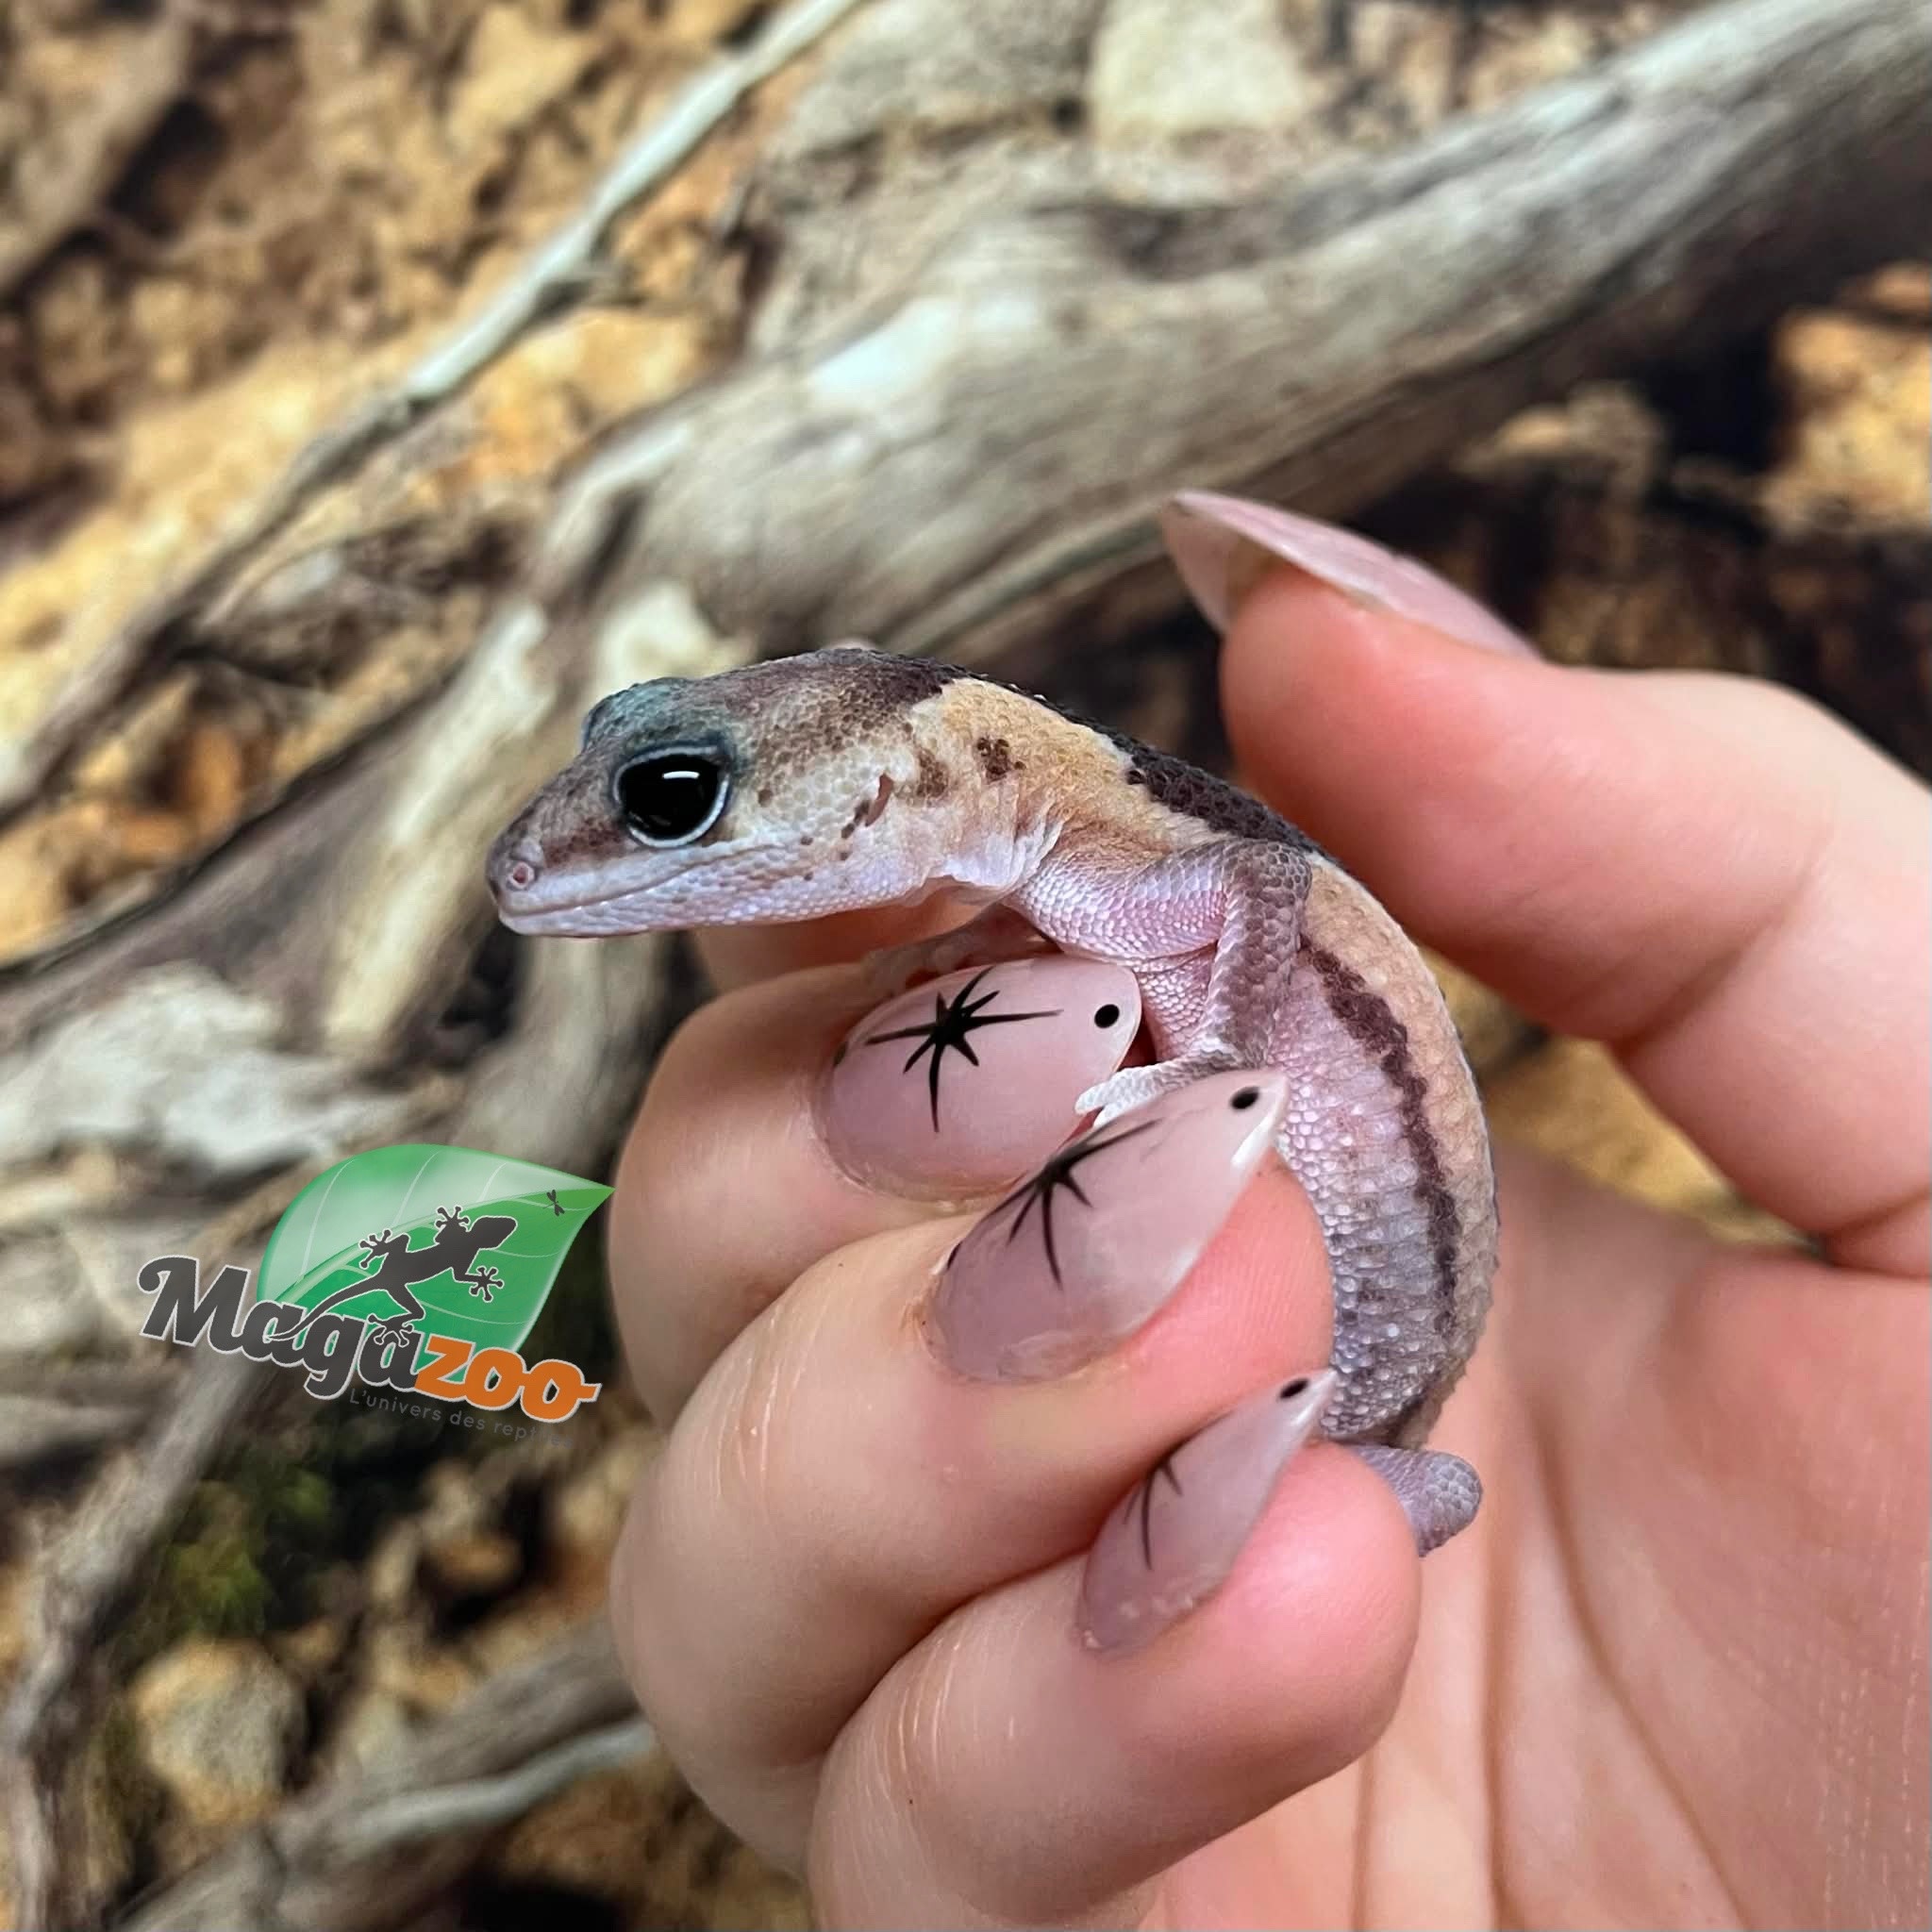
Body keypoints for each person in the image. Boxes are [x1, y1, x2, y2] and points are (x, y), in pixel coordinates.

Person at [601, 496, 1929, 1929]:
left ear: (907, 776)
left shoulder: (1167, 869)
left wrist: (1218, 1069)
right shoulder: (1070, 885)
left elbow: (1268, 881)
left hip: (1378, 1399)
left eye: (677, 800)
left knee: (1364, 1505)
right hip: (1322, 1501)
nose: (604, 849)